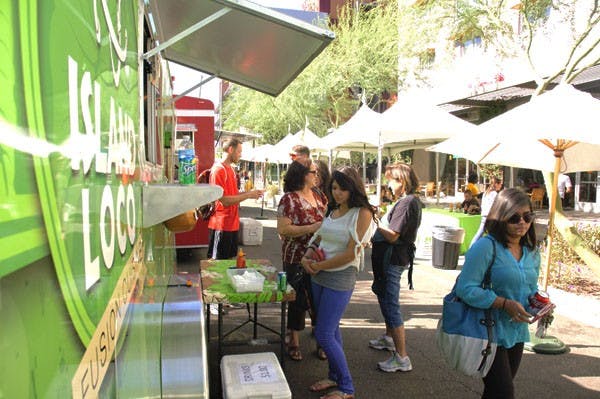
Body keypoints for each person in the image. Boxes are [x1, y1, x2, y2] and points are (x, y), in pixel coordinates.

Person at [456, 188, 540, 399]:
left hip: (516, 332)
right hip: (488, 330)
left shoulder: (531, 251)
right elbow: (465, 288)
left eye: (527, 216)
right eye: (514, 218)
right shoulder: (485, 247)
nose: (522, 222)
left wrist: (539, 305)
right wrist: (503, 303)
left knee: (496, 391)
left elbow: (530, 289)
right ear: (500, 218)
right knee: (504, 392)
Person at [301, 166, 376, 399]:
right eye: (334, 188)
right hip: (318, 273)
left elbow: (351, 253)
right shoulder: (332, 208)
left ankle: (346, 387)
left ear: (353, 188)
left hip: (340, 276)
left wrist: (318, 265)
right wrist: (308, 255)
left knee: (322, 334)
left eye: (343, 188)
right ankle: (334, 376)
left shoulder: (362, 212)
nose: (338, 193)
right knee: (330, 330)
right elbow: (320, 235)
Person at [368, 163, 422, 373]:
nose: (388, 184)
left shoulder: (407, 202)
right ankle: (389, 338)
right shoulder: (406, 201)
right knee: (385, 297)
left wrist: (375, 221)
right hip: (391, 258)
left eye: (391, 179)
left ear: (402, 181)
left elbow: (392, 235)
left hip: (393, 259)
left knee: (391, 303)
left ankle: (402, 357)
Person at [277, 159, 327, 361]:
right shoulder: (288, 199)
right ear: (303, 174)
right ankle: (294, 338)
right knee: (296, 299)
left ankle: (321, 339)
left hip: (318, 256)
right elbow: (282, 229)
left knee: (318, 299)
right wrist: (311, 228)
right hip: (295, 256)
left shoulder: (319, 195)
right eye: (314, 172)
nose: (317, 176)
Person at [207, 138, 263, 259]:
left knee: (229, 262)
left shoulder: (231, 170)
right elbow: (224, 201)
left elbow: (234, 194)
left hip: (232, 224)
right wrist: (248, 195)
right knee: (218, 264)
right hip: (221, 225)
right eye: (239, 151)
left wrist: (250, 193)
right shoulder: (218, 170)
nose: (240, 155)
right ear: (230, 150)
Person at [470, 177, 503, 247]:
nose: (501, 186)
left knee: (481, 234)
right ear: (496, 184)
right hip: (490, 216)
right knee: (492, 235)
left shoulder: (486, 192)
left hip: (484, 215)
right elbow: (496, 206)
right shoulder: (494, 194)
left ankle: (473, 247)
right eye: (500, 184)